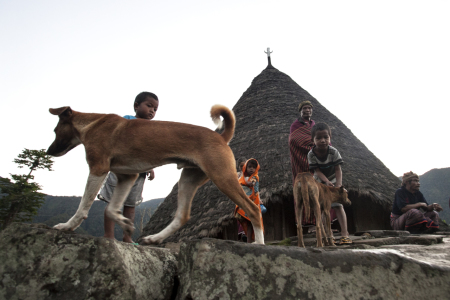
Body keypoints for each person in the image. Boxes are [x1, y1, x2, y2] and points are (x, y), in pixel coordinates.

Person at [97, 91, 159, 243]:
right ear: (136, 106)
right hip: (121, 169)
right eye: (149, 106)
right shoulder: (126, 121)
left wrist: (151, 167)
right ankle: (109, 235)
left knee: (130, 206)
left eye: (155, 109)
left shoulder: (153, 128)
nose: (152, 111)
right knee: (113, 203)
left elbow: (151, 150)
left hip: (139, 173)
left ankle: (127, 237)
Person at [307, 122, 352, 245]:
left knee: (338, 205)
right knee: (322, 208)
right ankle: (328, 234)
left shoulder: (333, 152)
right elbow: (317, 171)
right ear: (313, 140)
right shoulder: (311, 154)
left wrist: (338, 185)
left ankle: (344, 234)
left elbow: (338, 169)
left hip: (333, 178)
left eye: (326, 137)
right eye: (318, 138)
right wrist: (325, 182)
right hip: (320, 181)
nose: (323, 140)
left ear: (330, 138)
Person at [289, 100, 316, 227]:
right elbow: (294, 140)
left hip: (316, 160)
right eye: (304, 108)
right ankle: (308, 223)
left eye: (309, 108)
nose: (307, 110)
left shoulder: (314, 125)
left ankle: (320, 222)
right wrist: (311, 148)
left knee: (319, 191)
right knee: (305, 189)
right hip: (302, 162)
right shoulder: (295, 125)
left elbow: (322, 137)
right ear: (300, 111)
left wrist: (320, 149)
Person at [234, 158, 263, 243]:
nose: (251, 169)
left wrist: (259, 199)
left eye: (253, 167)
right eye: (249, 166)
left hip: (252, 202)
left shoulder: (254, 177)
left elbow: (256, 189)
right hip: (242, 202)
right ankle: (245, 237)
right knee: (244, 220)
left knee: (251, 222)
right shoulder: (239, 176)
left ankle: (250, 240)